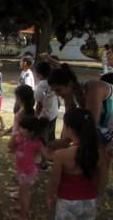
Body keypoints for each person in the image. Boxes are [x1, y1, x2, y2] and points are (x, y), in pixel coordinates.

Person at [47, 63, 112, 193]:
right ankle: (91, 192)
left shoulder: (94, 87)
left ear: (70, 84)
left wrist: (67, 146)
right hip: (102, 126)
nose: (58, 95)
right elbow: (70, 124)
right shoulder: (69, 96)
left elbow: (90, 125)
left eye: (59, 90)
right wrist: (60, 144)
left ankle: (95, 197)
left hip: (106, 126)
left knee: (103, 158)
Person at [47, 108, 100, 220]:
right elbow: (99, 177)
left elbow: (54, 181)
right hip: (90, 200)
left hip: (67, 201)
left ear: (69, 129)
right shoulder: (96, 152)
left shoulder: (61, 154)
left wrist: (50, 196)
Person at [7, 116, 48, 220]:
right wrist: (14, 136)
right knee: (22, 193)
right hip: (22, 171)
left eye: (22, 128)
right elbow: (10, 146)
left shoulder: (37, 143)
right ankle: (22, 208)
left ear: (31, 132)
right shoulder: (21, 138)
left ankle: (23, 216)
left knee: (24, 194)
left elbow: (46, 155)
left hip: (28, 172)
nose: (20, 129)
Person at [34, 61, 59, 170]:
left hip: (45, 117)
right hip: (53, 113)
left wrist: (36, 117)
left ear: (38, 74)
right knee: (50, 137)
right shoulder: (52, 82)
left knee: (42, 140)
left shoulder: (41, 86)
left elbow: (39, 105)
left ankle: (44, 162)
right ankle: (52, 158)